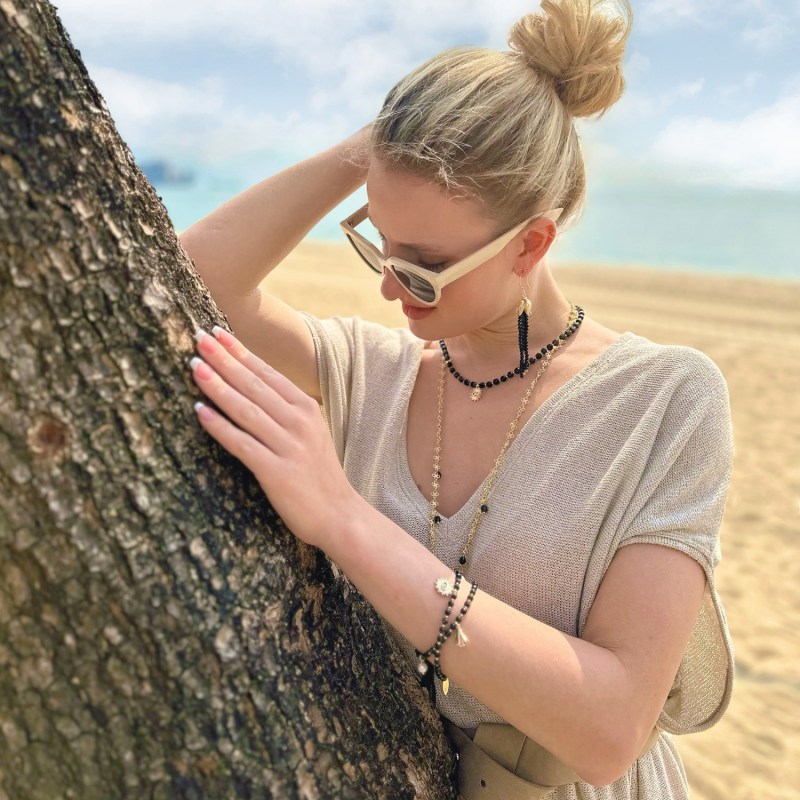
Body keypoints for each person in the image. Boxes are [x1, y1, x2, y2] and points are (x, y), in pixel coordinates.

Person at [180, 0, 735, 796]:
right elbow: (194, 279)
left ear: (531, 244)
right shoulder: (374, 371)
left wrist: (342, 518)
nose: (385, 287)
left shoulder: (663, 401)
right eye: (377, 239)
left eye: (422, 267)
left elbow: (610, 727)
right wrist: (374, 147)